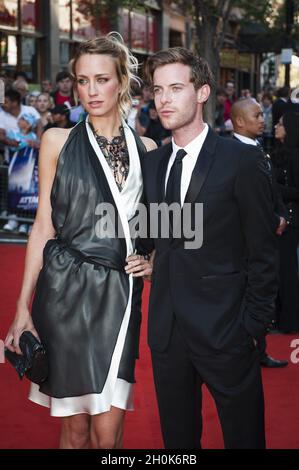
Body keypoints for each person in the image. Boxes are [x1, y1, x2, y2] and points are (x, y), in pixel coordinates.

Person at [5, 33, 155, 449]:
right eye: (82, 80)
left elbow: (159, 227)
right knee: (73, 429)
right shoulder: (57, 141)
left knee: (108, 434)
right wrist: (22, 310)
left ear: (121, 81)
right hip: (64, 292)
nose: (91, 90)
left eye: (101, 79)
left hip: (121, 295)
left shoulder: (147, 149)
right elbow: (42, 228)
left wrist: (154, 259)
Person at [130, 47, 278, 449]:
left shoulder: (240, 160)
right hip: (167, 332)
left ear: (202, 92)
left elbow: (263, 253)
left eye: (176, 88)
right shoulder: (154, 164)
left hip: (226, 329)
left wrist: (251, 329)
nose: (163, 99)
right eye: (158, 90)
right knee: (178, 443)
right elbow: (153, 235)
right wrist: (144, 256)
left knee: (244, 438)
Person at [230, 98, 289, 368]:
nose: (262, 119)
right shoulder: (231, 153)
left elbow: (270, 190)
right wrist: (269, 220)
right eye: (257, 115)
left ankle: (258, 349)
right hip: (244, 242)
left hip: (265, 235)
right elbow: (244, 202)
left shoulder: (258, 149)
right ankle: (248, 350)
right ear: (239, 121)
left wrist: (280, 215)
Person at [273, 112, 299, 333]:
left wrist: (273, 188)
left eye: (281, 124)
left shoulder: (296, 156)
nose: (275, 126)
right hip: (282, 220)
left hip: (292, 222)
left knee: (288, 272)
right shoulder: (280, 152)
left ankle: (289, 321)